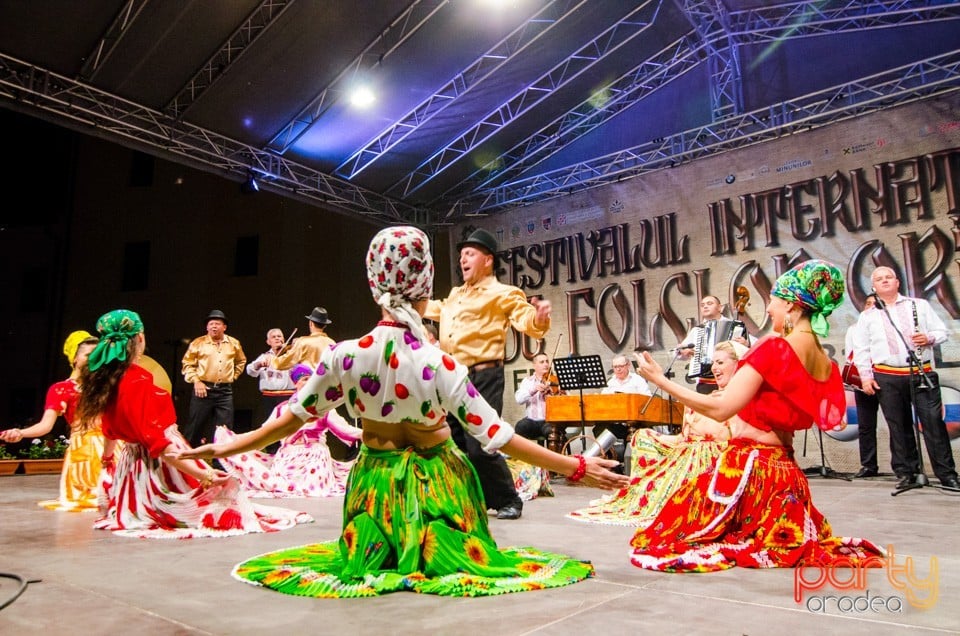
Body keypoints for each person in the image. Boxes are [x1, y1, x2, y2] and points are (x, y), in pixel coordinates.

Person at [175, 226, 627, 597]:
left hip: (374, 496)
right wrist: (577, 466)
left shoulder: (344, 356)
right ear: (424, 285)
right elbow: (499, 436)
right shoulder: (440, 362)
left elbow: (288, 421)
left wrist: (227, 447)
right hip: (441, 501)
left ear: (374, 285)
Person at [628, 260, 884, 572]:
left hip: (751, 473)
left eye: (773, 302)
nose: (769, 309)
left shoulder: (775, 347)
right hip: (787, 478)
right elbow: (830, 417)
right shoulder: (823, 361)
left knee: (660, 536)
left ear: (790, 304)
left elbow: (722, 408)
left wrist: (661, 381)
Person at [75, 309, 311, 539]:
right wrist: (204, 475)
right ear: (139, 338)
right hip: (161, 467)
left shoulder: (107, 379)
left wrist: (107, 462)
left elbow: (110, 431)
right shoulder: (136, 379)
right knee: (223, 502)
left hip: (133, 467)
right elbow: (160, 447)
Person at [423, 228, 551, 521]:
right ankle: (466, 499)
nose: (462, 259)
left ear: (488, 260)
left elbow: (526, 320)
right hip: (451, 377)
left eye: (469, 254)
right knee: (453, 443)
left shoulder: (503, 293)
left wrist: (539, 317)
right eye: (461, 255)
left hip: (483, 376)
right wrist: (405, 299)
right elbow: (436, 308)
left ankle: (509, 499)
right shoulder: (456, 295)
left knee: (482, 444)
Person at [568, 341, 744, 526]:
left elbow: (645, 403)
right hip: (625, 423)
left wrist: (661, 381)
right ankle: (605, 468)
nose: (714, 368)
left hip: (709, 451)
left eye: (720, 363)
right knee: (638, 436)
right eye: (713, 363)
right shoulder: (610, 384)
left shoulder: (738, 399)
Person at [851, 266, 959, 491]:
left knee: (933, 424)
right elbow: (862, 349)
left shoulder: (918, 305)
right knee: (898, 427)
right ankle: (907, 473)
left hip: (921, 371)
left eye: (889, 277)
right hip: (886, 375)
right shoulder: (867, 316)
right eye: (879, 279)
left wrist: (928, 337)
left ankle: (947, 475)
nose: (885, 281)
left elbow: (942, 331)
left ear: (897, 281)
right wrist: (865, 378)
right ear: (874, 287)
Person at [213, 363, 362, 497]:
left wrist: (369, 434)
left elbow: (346, 430)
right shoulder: (283, 408)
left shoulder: (323, 407)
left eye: (311, 380)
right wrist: (234, 437)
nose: (308, 383)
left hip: (314, 456)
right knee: (280, 484)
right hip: (288, 455)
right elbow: (263, 433)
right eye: (304, 380)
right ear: (295, 384)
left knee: (312, 487)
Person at [1, 331, 107, 512]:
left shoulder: (107, 387)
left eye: (97, 356)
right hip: (84, 450)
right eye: (88, 355)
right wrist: (21, 433)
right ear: (75, 359)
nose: (92, 359)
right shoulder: (62, 389)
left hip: (114, 448)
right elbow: (45, 425)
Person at [180, 309, 247, 447]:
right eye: (211, 324)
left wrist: (232, 376)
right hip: (203, 388)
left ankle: (221, 463)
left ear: (224, 327)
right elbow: (187, 364)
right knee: (195, 426)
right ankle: (188, 460)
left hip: (224, 391)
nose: (214, 326)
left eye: (217, 324)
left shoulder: (233, 343)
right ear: (207, 327)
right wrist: (196, 381)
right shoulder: (198, 343)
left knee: (225, 429)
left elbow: (241, 361)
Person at [677, 295, 751, 394]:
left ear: (720, 308)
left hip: (731, 380)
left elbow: (751, 349)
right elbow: (679, 353)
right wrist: (683, 351)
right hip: (705, 382)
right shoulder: (697, 330)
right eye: (702, 305)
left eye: (709, 303)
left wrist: (745, 344)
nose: (705, 306)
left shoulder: (735, 326)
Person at [843, 296, 883, 478]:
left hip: (887, 378)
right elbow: (852, 356)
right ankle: (868, 465)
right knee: (866, 425)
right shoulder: (854, 329)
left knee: (898, 423)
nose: (871, 307)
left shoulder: (887, 327)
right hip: (863, 381)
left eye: (875, 304)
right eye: (867, 303)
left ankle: (906, 467)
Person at [592, 354, 652, 453]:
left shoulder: (638, 380)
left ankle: (629, 461)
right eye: (615, 367)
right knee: (599, 429)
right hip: (616, 422)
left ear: (628, 365)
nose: (618, 369)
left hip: (635, 423)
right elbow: (602, 400)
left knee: (632, 432)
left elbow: (648, 400)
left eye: (621, 366)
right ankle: (609, 458)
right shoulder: (611, 382)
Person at [245, 328, 296, 432]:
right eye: (274, 337)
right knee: (270, 427)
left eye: (279, 336)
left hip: (287, 396)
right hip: (269, 397)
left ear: (284, 339)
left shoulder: (291, 356)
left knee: (287, 427)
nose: (277, 338)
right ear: (268, 342)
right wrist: (259, 364)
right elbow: (249, 371)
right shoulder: (264, 356)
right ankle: (272, 448)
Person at [513, 352, 555, 442]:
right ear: (534, 365)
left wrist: (552, 394)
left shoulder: (555, 381)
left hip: (549, 422)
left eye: (547, 361)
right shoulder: (527, 381)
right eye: (542, 362)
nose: (546, 364)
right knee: (520, 426)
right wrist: (533, 390)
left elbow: (567, 398)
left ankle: (551, 456)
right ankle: (524, 456)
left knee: (552, 432)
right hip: (532, 421)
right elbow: (519, 399)